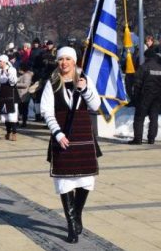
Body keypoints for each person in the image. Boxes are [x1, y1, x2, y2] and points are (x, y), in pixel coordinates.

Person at [40, 46, 102, 244]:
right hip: (62, 135)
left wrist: (85, 91)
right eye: (61, 59)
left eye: (68, 59)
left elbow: (96, 106)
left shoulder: (84, 78)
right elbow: (46, 111)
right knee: (65, 182)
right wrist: (57, 133)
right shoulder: (52, 82)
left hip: (83, 134)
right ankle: (70, 224)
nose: (64, 62)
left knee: (85, 181)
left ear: (74, 61)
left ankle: (77, 214)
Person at [130, 50, 161, 144]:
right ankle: (151, 139)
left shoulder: (143, 67)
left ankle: (138, 139)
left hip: (144, 96)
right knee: (154, 117)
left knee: (139, 117)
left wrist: (136, 97)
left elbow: (137, 83)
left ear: (147, 57)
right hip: (157, 97)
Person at [0, 55, 19, 141]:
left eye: (0, 61)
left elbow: (13, 82)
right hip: (2, 93)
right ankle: (8, 132)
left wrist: (8, 73)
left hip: (11, 93)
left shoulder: (12, 69)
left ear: (5, 62)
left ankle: (14, 132)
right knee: (5, 114)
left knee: (11, 115)